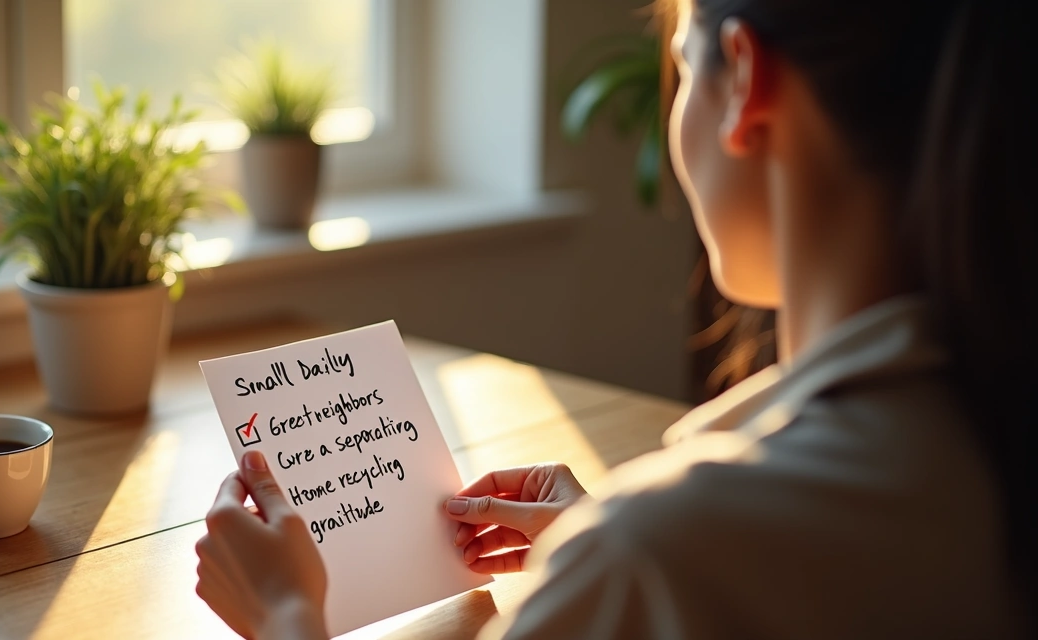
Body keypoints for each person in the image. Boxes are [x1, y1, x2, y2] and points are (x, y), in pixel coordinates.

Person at [193, 0, 1035, 636]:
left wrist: (287, 613)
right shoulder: (980, 435)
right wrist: (604, 549)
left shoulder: (651, 559)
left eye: (681, 65)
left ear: (743, 80)